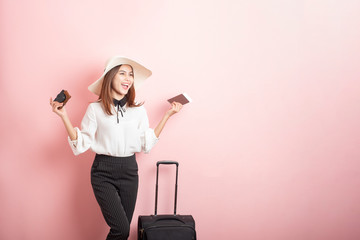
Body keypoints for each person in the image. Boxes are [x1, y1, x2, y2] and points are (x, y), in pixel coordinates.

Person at [49, 56, 183, 240]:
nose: (128, 78)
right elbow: (82, 143)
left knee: (122, 232)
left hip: (130, 170)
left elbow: (146, 142)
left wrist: (167, 115)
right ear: (110, 77)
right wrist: (63, 116)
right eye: (122, 73)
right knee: (121, 229)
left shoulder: (138, 111)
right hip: (103, 172)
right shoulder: (95, 109)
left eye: (131, 75)